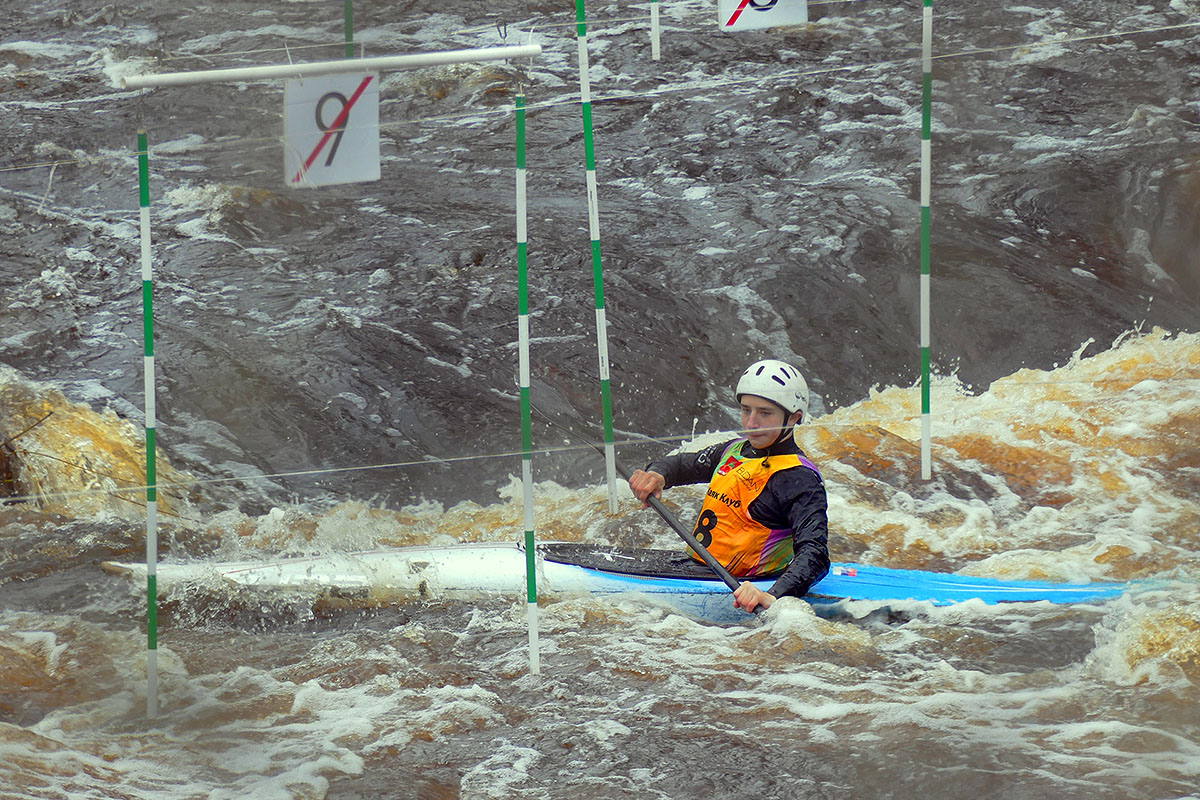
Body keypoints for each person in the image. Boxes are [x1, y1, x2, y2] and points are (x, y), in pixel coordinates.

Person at [628, 359, 830, 614]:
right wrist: (657, 475)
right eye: (746, 410)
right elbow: (682, 464)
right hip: (698, 566)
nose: (751, 423)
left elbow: (815, 553)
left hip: (749, 585)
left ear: (793, 418)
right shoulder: (734, 449)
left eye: (765, 413)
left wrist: (772, 596)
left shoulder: (799, 478)